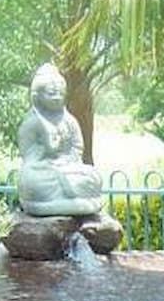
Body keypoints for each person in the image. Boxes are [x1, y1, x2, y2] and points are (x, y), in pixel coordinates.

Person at [17, 64, 102, 216]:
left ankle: (72, 201)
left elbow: (77, 147)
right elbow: (28, 156)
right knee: (31, 181)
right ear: (37, 96)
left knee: (93, 176)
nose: (57, 97)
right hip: (44, 170)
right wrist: (44, 156)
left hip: (68, 168)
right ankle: (65, 201)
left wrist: (67, 161)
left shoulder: (69, 121)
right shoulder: (32, 123)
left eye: (60, 93)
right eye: (51, 93)